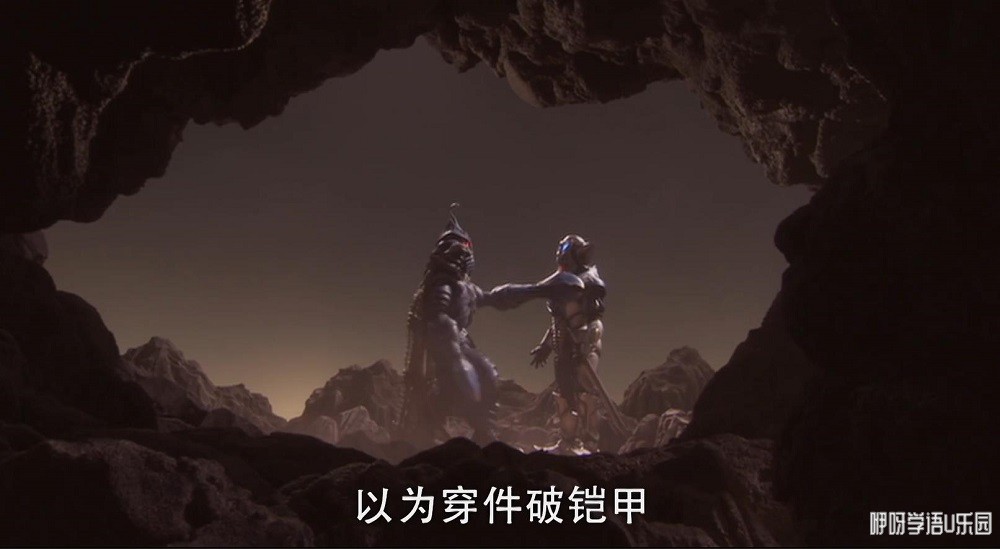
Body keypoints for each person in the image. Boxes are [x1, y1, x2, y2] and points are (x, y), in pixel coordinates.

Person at [486, 234, 627, 454]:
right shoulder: (560, 284)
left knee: (585, 392)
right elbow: (558, 323)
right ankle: (568, 442)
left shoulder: (589, 282)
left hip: (584, 347)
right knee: (564, 395)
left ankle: (590, 443)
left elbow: (594, 322)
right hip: (564, 349)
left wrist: (586, 341)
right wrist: (545, 346)